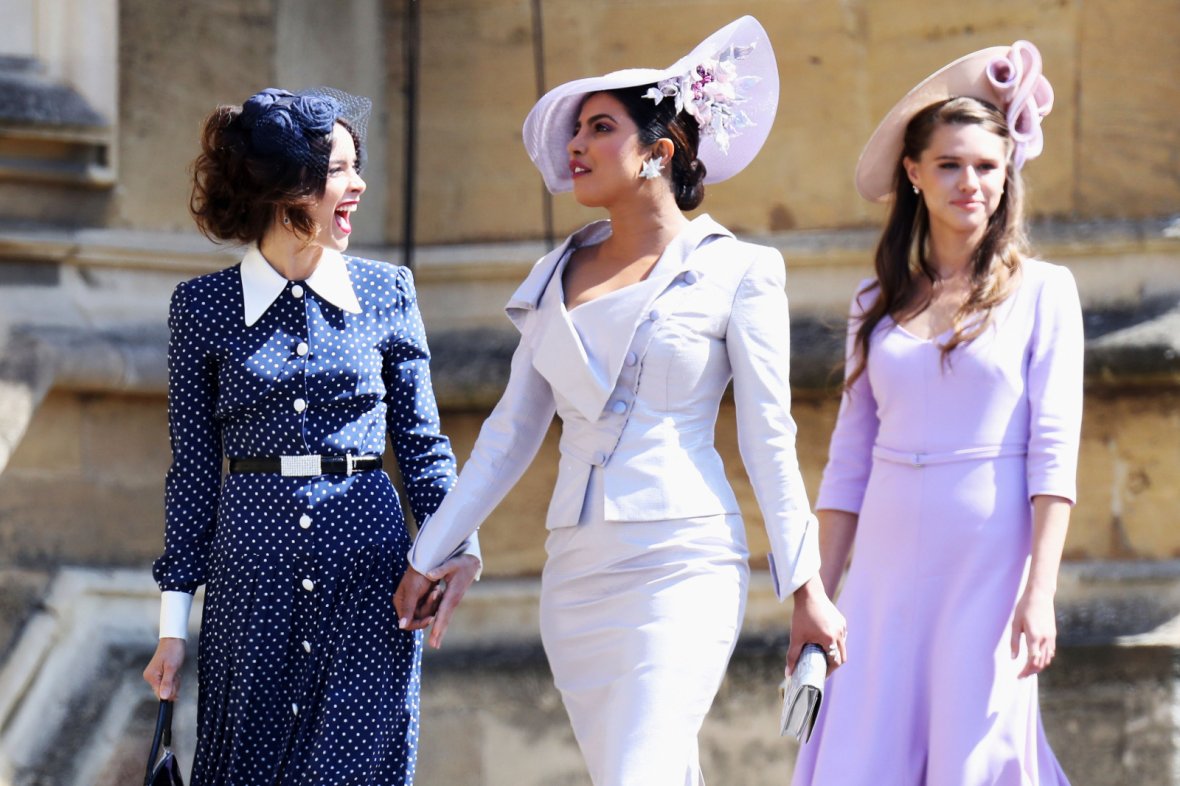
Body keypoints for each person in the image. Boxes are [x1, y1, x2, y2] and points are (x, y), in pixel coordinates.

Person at [393, 16, 845, 786]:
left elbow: (771, 438)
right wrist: (429, 554)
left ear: (657, 152)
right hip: (575, 574)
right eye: (575, 129)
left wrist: (808, 592)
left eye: (599, 127)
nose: (575, 144)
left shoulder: (741, 270)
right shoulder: (552, 273)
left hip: (685, 560)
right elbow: (509, 434)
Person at [141, 86, 480, 785]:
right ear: (285, 183)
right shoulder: (201, 309)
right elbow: (194, 474)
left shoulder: (390, 292)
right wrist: (172, 627)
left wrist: (455, 547)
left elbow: (421, 445)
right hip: (250, 578)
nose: (358, 185)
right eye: (338, 170)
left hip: (369, 576)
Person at [791, 41, 1080, 785]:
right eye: (949, 164)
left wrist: (1039, 594)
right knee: (864, 752)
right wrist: (816, 597)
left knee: (974, 753)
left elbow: (1055, 455)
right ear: (913, 174)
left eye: (986, 165)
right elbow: (847, 463)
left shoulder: (1047, 293)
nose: (970, 183)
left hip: (988, 560)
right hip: (882, 568)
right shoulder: (874, 302)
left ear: (1007, 172)